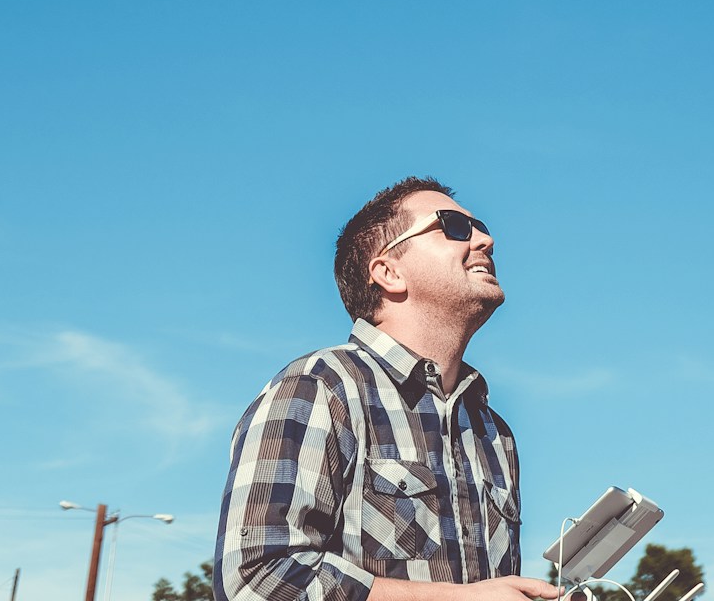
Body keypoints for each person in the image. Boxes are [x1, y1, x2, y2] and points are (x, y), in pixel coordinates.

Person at [216, 178, 559, 601]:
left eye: (480, 226)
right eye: (454, 226)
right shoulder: (320, 388)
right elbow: (257, 580)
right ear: (388, 272)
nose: (486, 240)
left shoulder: (494, 431)